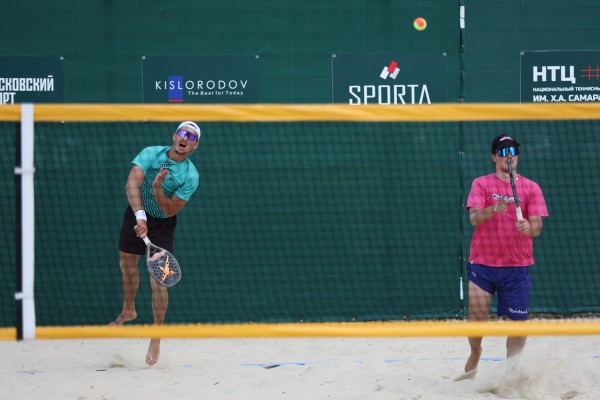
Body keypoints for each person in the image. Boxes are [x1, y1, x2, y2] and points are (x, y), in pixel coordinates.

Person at [110, 121, 201, 366]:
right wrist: (140, 216)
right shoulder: (151, 153)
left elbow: (171, 210)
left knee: (159, 281)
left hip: (162, 223)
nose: (185, 138)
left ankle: (156, 335)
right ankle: (129, 309)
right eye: (182, 133)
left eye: (191, 137)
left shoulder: (190, 175)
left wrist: (158, 187)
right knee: (126, 262)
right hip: (136, 211)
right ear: (174, 136)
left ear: (195, 146)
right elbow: (131, 183)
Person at [458, 134, 548, 380]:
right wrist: (493, 209)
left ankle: (511, 373)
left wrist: (528, 227)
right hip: (483, 264)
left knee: (518, 324)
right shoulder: (481, 184)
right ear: (494, 157)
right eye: (503, 151)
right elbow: (474, 218)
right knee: (476, 318)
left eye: (513, 151)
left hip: (517, 267)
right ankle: (476, 351)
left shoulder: (531, 187)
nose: (509, 156)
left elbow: (537, 226)